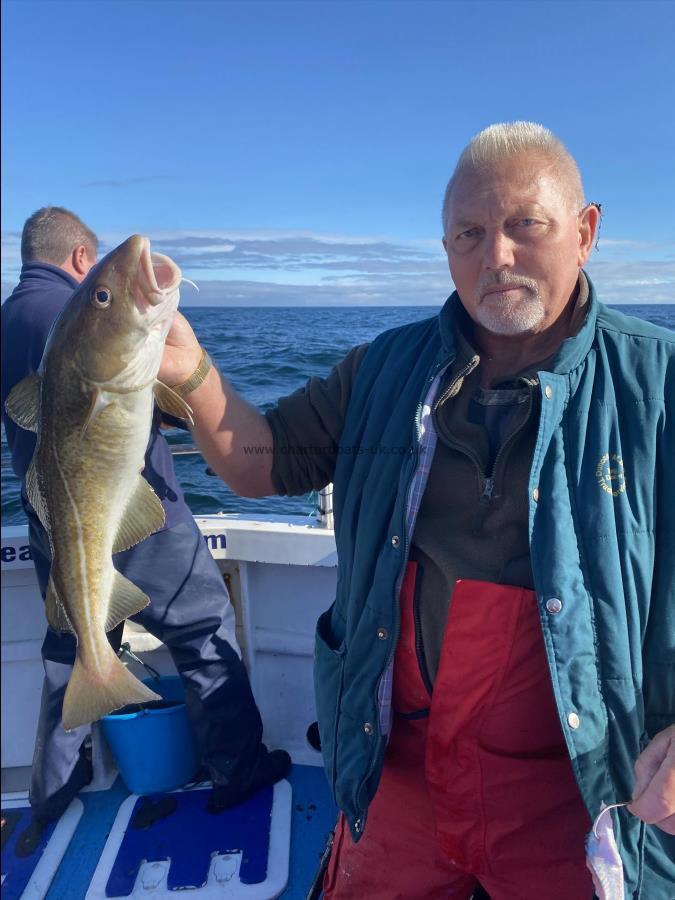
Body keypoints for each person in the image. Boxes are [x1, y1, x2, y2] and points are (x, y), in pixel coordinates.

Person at [157, 123, 674, 898]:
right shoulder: (384, 367)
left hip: (588, 781)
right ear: (445, 249)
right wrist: (189, 370)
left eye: (522, 225)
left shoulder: (656, 380)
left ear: (586, 231)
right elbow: (256, 461)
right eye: (468, 234)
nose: (493, 256)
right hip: (398, 757)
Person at [0, 206, 291, 832]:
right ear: (81, 259)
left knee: (72, 640)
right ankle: (235, 768)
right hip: (123, 510)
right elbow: (160, 404)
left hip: (54, 514)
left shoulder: (6, 318)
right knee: (203, 629)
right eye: (101, 288)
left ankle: (55, 785)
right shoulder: (69, 319)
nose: (104, 294)